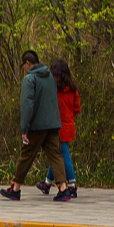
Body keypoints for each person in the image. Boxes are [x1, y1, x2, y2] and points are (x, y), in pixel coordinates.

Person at [1, 50, 64, 200]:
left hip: (36, 126)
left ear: (27, 63)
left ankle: (15, 189)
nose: (23, 68)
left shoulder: (30, 79)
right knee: (55, 156)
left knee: (26, 155)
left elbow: (27, 105)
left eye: (23, 65)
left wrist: (25, 128)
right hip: (53, 125)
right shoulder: (50, 77)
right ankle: (63, 188)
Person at [35, 60, 82, 201]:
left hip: (57, 126)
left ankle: (71, 184)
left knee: (63, 155)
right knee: (55, 155)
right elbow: (76, 109)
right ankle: (47, 183)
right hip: (69, 125)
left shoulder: (54, 89)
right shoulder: (73, 89)